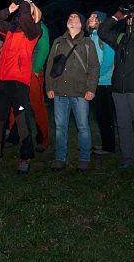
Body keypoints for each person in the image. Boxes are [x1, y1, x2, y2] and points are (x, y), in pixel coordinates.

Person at [0, 0, 42, 174]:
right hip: (3, 81)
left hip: (19, 83)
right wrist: (10, 9)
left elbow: (26, 18)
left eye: (24, 10)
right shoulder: (10, 30)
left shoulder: (34, 31)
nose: (20, 14)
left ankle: (25, 158)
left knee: (22, 121)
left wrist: (26, 3)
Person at [98, 5, 134, 175]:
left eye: (132, 17)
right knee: (122, 125)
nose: (129, 19)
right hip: (119, 90)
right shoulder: (121, 38)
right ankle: (127, 158)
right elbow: (103, 32)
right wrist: (117, 16)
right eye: (128, 17)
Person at [45, 12, 100, 172]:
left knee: (83, 127)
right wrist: (49, 87)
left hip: (81, 93)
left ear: (81, 24)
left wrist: (91, 89)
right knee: (60, 127)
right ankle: (60, 158)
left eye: (75, 17)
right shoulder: (57, 42)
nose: (71, 18)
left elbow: (94, 68)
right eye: (69, 17)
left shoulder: (88, 43)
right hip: (59, 92)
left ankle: (84, 158)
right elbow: (50, 66)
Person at [6, 21, 50, 152]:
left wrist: (36, 69)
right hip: (17, 72)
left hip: (33, 72)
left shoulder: (40, 26)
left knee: (37, 105)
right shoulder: (18, 26)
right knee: (16, 105)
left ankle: (43, 139)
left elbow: (44, 48)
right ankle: (14, 136)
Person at [87, 11, 116, 154]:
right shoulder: (91, 37)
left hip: (104, 82)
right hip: (95, 82)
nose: (90, 18)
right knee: (99, 115)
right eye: (90, 16)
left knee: (105, 115)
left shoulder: (104, 36)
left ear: (101, 21)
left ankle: (109, 147)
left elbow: (109, 59)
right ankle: (105, 144)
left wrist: (95, 77)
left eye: (94, 17)